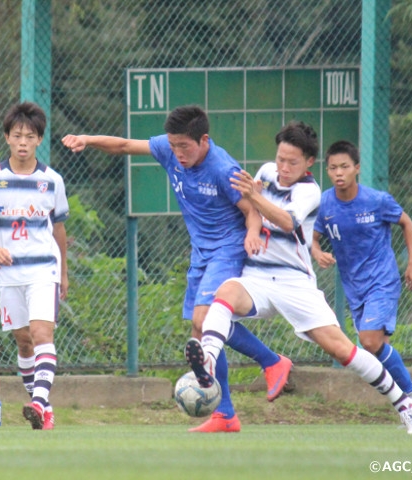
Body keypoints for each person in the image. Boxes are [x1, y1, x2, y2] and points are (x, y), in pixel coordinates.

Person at [186, 121, 412, 434]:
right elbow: (254, 210)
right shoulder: (266, 172)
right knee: (224, 295)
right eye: (280, 159)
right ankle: (207, 362)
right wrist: (252, 229)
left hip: (294, 282)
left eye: (292, 162)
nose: (283, 167)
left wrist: (253, 197)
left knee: (345, 351)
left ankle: (404, 403)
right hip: (257, 277)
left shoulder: (310, 191)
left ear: (309, 163)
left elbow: (287, 221)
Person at [62, 105, 292, 433]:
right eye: (173, 146)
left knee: (204, 320)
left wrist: (253, 234)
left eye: (184, 146)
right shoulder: (170, 149)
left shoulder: (222, 168)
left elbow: (251, 206)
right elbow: (126, 146)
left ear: (204, 140)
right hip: (201, 253)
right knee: (199, 336)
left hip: (227, 248)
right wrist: (87, 139)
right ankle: (225, 414)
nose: (178, 153)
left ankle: (272, 361)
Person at [311, 140, 412, 418]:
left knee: (368, 342)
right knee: (375, 347)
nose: (338, 173)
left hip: (382, 280)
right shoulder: (325, 203)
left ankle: (410, 394)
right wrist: (317, 252)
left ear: (357, 168)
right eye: (332, 168)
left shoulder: (376, 200)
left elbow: (406, 222)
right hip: (354, 287)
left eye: (344, 166)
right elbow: (313, 239)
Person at [0, 102, 69, 430]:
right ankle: (44, 408)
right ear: (7, 138)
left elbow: (59, 231)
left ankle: (39, 403)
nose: (23, 142)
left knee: (42, 333)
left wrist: (65, 274)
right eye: (17, 136)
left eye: (30, 136)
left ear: (40, 140)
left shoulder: (53, 181)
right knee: (23, 340)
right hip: (9, 272)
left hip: (44, 269)